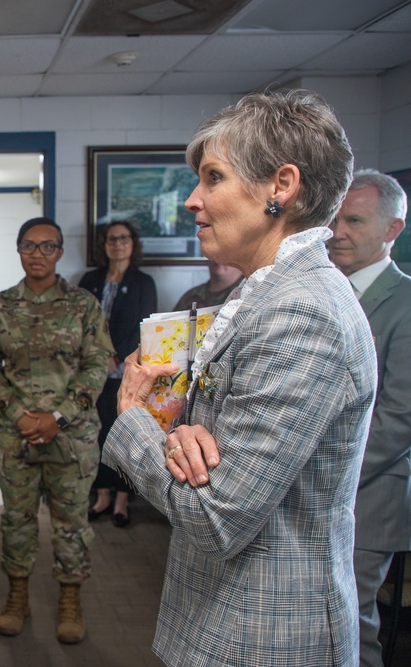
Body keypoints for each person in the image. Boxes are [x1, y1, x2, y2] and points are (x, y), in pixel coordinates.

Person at [102, 89, 376, 666]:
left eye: (213, 178)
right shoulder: (268, 294)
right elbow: (219, 447)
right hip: (225, 617)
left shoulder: (302, 314)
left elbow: (216, 514)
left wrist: (133, 420)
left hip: (262, 631)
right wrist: (178, 434)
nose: (194, 201)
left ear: (281, 185)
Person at [0, 217, 112, 644]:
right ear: (18, 251)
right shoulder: (0, 307)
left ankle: (70, 598)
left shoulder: (83, 305)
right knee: (17, 518)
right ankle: (17, 596)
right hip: (16, 435)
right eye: (29, 246)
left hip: (71, 436)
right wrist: (18, 414)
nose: (38, 254)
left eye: (47, 246)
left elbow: (97, 365)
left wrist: (59, 417)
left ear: (60, 252)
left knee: (71, 521)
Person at [327, 168, 411, 667]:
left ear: (392, 230)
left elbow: (399, 418)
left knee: (352, 628)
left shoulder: (404, 303)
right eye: (335, 218)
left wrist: (327, 472)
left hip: (367, 493)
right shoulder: (328, 292)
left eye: (354, 220)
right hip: (315, 495)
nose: (338, 231)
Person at [79, 221, 157, 527]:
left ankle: (123, 499)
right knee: (97, 432)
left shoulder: (143, 282)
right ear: (104, 245)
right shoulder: (90, 280)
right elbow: (81, 321)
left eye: (124, 238)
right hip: (93, 371)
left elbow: (145, 325)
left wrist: (114, 355)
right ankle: (102, 496)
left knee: (123, 434)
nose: (118, 244)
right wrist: (99, 355)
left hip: (127, 372)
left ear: (132, 243)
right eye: (112, 239)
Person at [172, 260, 244, 311]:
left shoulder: (247, 294)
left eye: (227, 253)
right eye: (214, 252)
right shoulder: (192, 296)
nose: (218, 258)